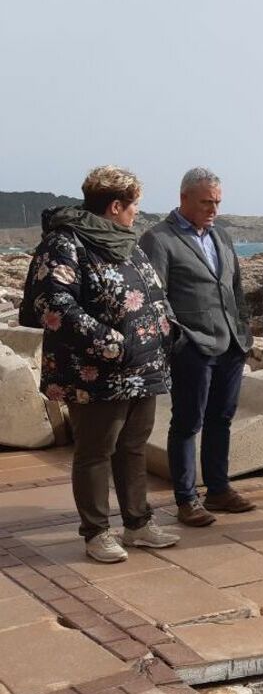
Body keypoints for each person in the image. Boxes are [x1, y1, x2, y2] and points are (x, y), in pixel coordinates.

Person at [26, 166, 179, 562]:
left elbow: (153, 291)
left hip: (142, 368)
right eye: (134, 207)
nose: (136, 215)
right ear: (115, 206)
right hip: (93, 371)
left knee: (132, 447)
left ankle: (138, 524)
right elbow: (53, 302)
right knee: (95, 451)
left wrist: (167, 327)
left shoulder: (128, 243)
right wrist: (109, 343)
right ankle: (96, 532)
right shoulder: (65, 243)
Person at [140, 168, 255, 526]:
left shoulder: (221, 236)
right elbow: (154, 297)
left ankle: (218, 490)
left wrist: (244, 332)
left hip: (230, 345)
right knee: (188, 423)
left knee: (222, 419)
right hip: (193, 346)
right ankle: (187, 499)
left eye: (218, 202)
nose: (214, 209)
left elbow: (235, 288)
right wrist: (180, 339)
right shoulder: (158, 239)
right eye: (207, 202)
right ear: (184, 199)